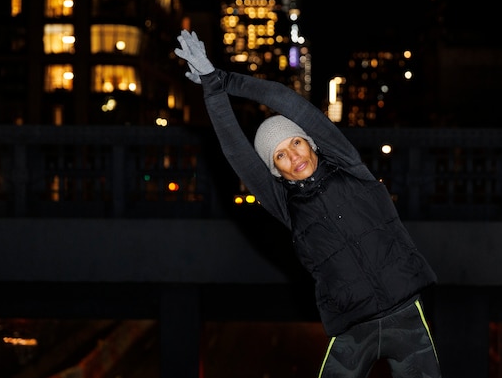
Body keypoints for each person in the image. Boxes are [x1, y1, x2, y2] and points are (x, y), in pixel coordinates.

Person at [174, 29, 442, 378]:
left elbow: (287, 101)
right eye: (280, 156)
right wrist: (210, 86)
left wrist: (223, 78)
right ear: (277, 171)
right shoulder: (287, 206)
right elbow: (236, 150)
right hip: (352, 329)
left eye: (296, 143)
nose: (293, 156)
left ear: (312, 143)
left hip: (406, 315)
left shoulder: (350, 167)